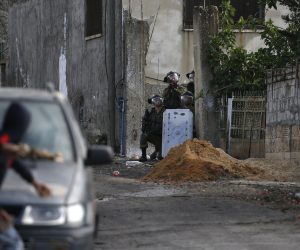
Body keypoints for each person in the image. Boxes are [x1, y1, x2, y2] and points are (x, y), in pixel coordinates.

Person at [0, 102, 51, 250]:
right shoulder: (4, 145)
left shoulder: (8, 147)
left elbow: (18, 166)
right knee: (13, 243)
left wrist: (34, 183)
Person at [139, 95, 165, 162]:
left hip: (164, 137)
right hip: (154, 135)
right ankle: (143, 156)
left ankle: (156, 152)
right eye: (155, 100)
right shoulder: (151, 112)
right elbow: (144, 124)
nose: (157, 101)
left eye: (159, 99)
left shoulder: (166, 110)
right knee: (143, 135)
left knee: (160, 157)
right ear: (152, 102)